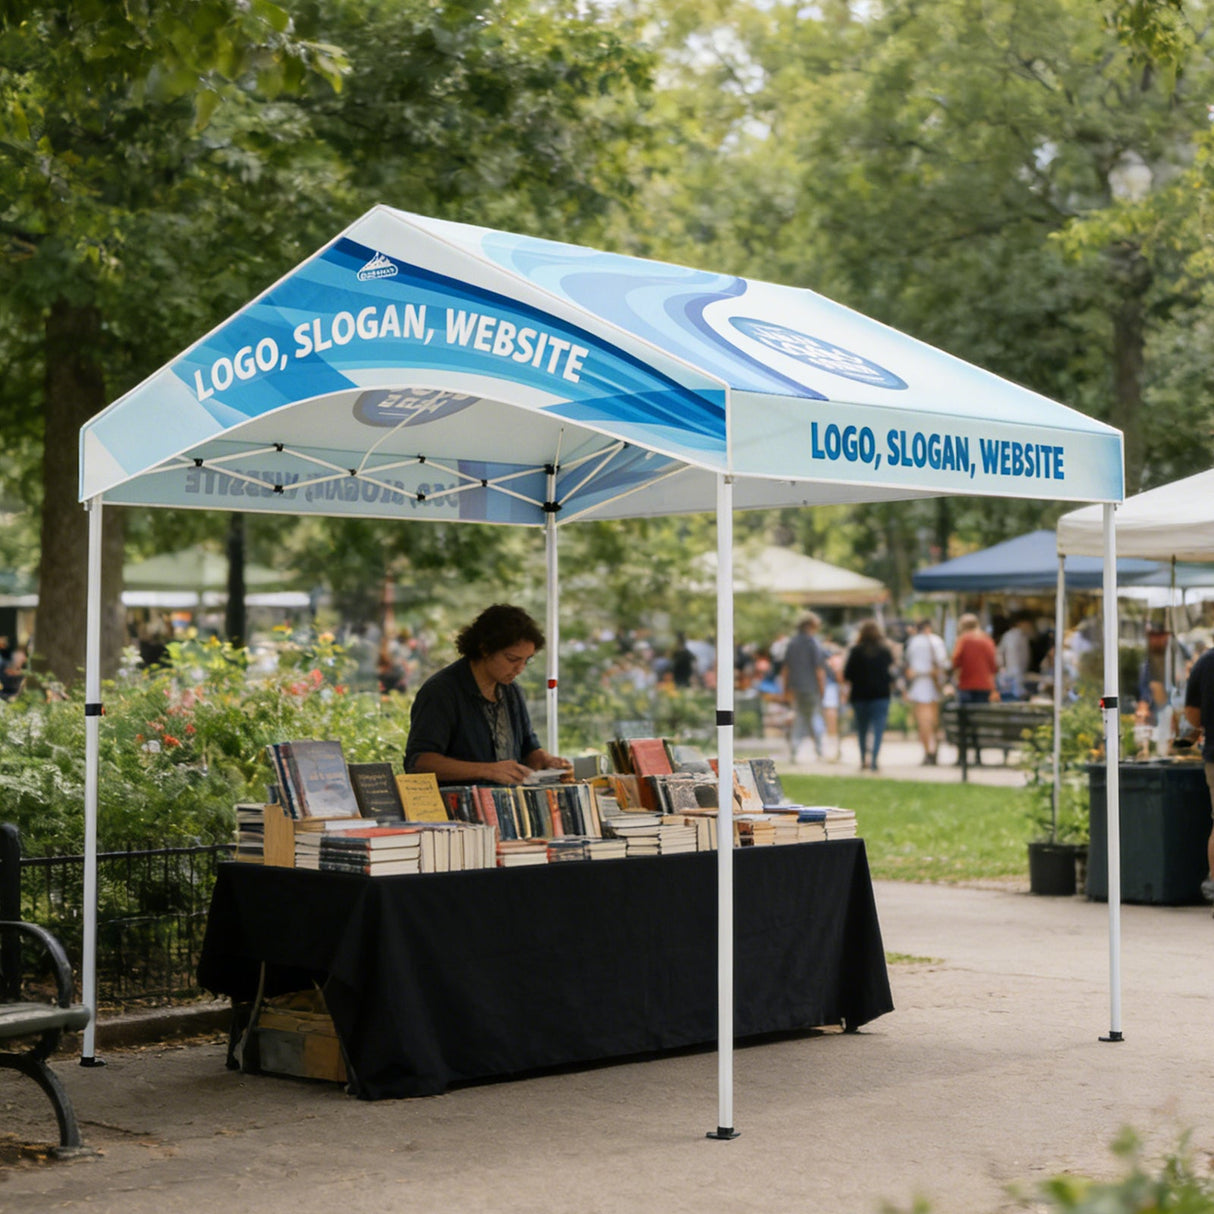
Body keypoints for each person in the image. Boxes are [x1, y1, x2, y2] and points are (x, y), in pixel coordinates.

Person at [404, 604, 571, 785]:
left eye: (526, 661)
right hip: (456, 809)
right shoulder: (442, 691)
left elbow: (528, 749)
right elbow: (419, 763)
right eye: (512, 659)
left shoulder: (511, 691)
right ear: (485, 649)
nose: (520, 668)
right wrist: (489, 770)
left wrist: (548, 761)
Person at [842, 619, 897, 773]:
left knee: (862, 729)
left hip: (859, 695)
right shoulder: (885, 651)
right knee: (878, 729)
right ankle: (874, 760)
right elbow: (891, 674)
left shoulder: (855, 651)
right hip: (880, 695)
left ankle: (862, 759)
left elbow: (847, 674)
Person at [782, 612, 826, 762]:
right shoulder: (813, 643)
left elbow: (786, 669)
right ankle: (819, 749)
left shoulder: (792, 643)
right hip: (811, 686)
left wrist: (785, 688)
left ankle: (795, 748)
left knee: (800, 716)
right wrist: (822, 689)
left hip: (796, 686)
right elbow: (819, 670)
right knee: (813, 716)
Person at [903, 619, 948, 765]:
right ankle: (934, 749)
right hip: (934, 684)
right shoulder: (936, 641)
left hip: (919, 684)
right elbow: (944, 663)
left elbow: (907, 664)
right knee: (934, 721)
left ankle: (928, 750)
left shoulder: (913, 642)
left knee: (923, 721)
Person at [952, 614, 997, 704]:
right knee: (981, 715)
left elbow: (955, 661)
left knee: (967, 715)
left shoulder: (963, 640)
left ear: (962, 626)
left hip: (966, 685)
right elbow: (993, 664)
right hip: (985, 685)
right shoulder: (987, 639)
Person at [996, 613, 1034, 702]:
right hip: (1011, 674)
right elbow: (999, 653)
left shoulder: (1023, 637)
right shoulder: (1010, 636)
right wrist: (1001, 667)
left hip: (1018, 673)